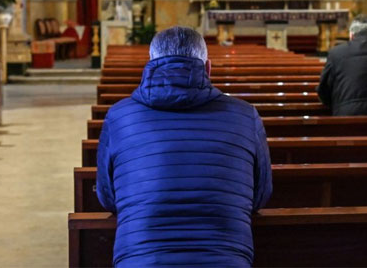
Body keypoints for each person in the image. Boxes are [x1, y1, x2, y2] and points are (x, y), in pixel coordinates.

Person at [96, 26, 272, 267]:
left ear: (149, 64)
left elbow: (108, 198)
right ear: (208, 68)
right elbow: (260, 196)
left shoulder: (118, 117)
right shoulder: (246, 115)